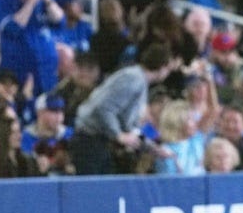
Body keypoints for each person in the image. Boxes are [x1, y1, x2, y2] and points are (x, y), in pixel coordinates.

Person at [71, 43, 179, 175]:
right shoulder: (133, 79)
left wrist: (154, 148)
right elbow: (104, 108)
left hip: (101, 142)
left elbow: (132, 126)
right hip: (89, 141)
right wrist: (118, 135)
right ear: (162, 67)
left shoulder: (140, 82)